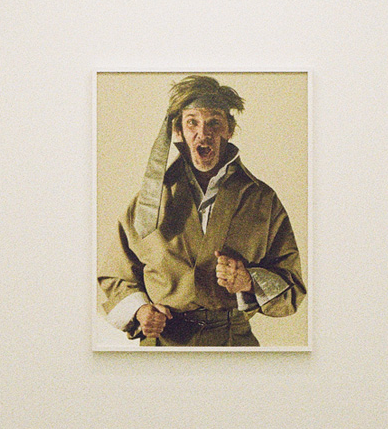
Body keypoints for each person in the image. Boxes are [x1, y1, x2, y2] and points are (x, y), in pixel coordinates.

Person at [99, 75, 305, 346]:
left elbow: (292, 286)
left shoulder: (261, 200)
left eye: (214, 123)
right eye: (192, 122)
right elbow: (115, 276)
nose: (203, 133)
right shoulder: (149, 202)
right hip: (164, 345)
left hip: (233, 344)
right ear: (178, 131)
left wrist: (249, 281)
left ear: (229, 130)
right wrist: (141, 311)